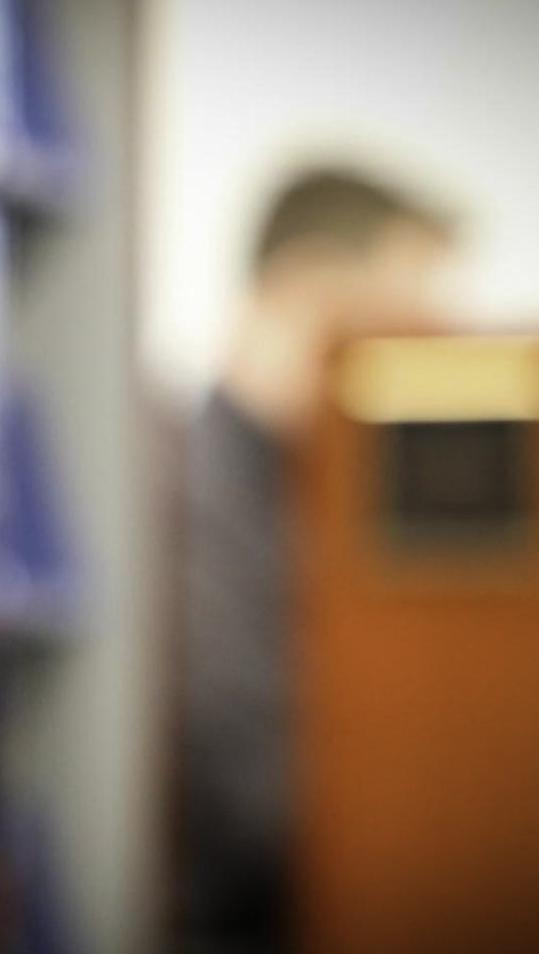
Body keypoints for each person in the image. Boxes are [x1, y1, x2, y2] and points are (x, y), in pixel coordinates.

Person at [177, 168, 455, 953]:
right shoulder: (188, 497)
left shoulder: (314, 489)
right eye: (395, 331)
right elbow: (254, 807)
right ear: (301, 295)